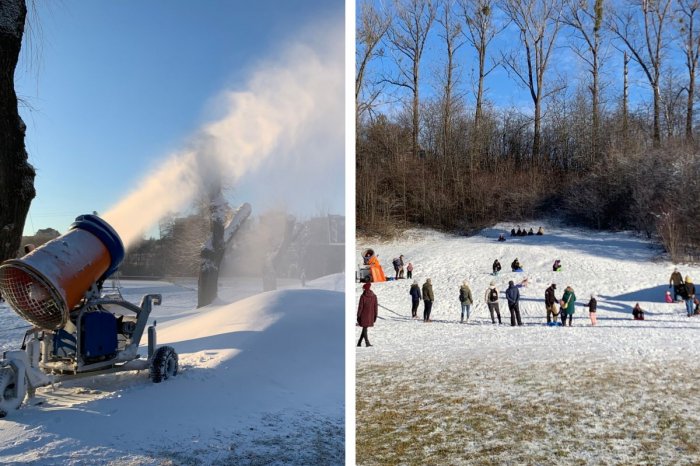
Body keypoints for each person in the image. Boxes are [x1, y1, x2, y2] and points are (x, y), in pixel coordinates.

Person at [357, 282, 378, 347]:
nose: (362, 290)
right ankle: (359, 342)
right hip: (371, 315)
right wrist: (375, 315)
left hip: (363, 315)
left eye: (363, 289)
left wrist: (358, 315)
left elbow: (360, 307)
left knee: (364, 328)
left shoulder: (363, 296)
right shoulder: (374, 296)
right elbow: (375, 307)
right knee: (365, 328)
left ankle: (366, 343)